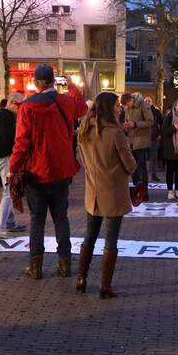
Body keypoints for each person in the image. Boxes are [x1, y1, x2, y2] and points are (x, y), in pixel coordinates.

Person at [9, 64, 88, 279]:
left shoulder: (27, 107)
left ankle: (35, 267)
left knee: (37, 220)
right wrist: (71, 86)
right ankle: (64, 264)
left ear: (36, 82)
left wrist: (13, 169)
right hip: (61, 170)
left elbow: (21, 143)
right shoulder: (66, 102)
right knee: (61, 217)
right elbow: (82, 107)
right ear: (53, 81)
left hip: (36, 171)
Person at [76, 91, 137, 298]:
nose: (120, 109)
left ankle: (81, 278)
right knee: (111, 240)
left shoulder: (84, 129)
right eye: (117, 106)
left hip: (93, 190)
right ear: (109, 109)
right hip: (113, 190)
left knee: (90, 235)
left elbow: (83, 160)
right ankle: (105, 286)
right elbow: (130, 165)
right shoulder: (115, 133)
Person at [0, 92, 27, 238]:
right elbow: (10, 138)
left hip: (2, 156)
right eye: (19, 105)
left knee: (10, 189)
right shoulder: (7, 116)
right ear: (12, 103)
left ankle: (9, 222)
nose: (20, 109)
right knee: (8, 191)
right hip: (6, 157)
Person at [121, 92, 154, 185]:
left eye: (128, 104)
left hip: (142, 141)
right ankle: (136, 187)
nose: (127, 107)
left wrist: (135, 124)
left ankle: (143, 188)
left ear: (131, 100)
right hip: (131, 141)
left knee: (141, 165)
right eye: (126, 106)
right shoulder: (127, 108)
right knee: (133, 165)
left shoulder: (143, 105)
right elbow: (126, 120)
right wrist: (126, 125)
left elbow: (150, 121)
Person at [145, 96, 164, 181]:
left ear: (152, 102)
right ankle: (143, 175)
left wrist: (160, 134)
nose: (147, 102)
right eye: (146, 101)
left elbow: (162, 123)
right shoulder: (141, 111)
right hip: (143, 138)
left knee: (153, 157)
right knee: (143, 158)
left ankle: (153, 174)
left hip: (154, 137)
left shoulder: (156, 112)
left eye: (149, 101)